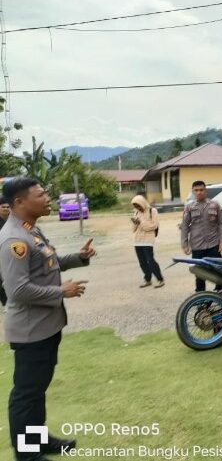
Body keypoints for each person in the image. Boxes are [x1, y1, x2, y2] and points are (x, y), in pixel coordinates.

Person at [0, 178, 96, 461]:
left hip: (47, 327)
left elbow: (49, 262)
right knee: (26, 395)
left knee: (37, 389)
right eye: (41, 194)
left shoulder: (32, 230)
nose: (47, 198)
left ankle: (39, 440)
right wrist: (61, 290)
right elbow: (17, 290)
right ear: (19, 202)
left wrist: (79, 257)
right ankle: (27, 455)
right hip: (31, 332)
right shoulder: (14, 240)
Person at [180, 181, 222, 292]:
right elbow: (185, 226)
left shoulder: (214, 205)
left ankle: (220, 293)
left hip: (213, 244)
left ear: (205, 191)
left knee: (218, 270)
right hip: (197, 246)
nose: (199, 192)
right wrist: (185, 244)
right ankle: (201, 297)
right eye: (196, 190)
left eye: (201, 190)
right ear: (193, 192)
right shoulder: (189, 207)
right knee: (200, 273)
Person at [131, 195, 164, 288]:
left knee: (150, 260)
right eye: (135, 206)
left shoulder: (152, 211)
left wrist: (141, 223)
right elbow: (133, 229)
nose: (137, 208)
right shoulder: (136, 212)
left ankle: (160, 279)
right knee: (142, 262)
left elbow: (154, 225)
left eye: (138, 205)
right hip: (137, 240)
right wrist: (135, 223)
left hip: (148, 240)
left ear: (142, 203)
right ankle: (147, 279)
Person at [0, 196, 10, 307]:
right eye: (3, 207)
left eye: (8, 207)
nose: (6, 209)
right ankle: (6, 302)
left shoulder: (15, 218)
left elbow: (29, 229)